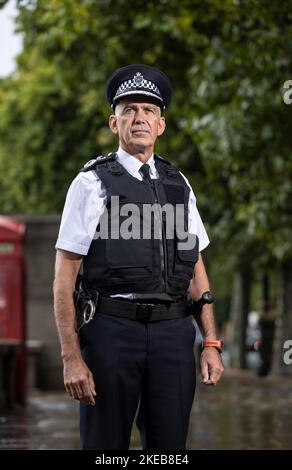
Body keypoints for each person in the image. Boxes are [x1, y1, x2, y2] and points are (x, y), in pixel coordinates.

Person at [53, 64, 224, 450]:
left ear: (160, 125)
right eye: (129, 109)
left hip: (173, 335)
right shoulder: (91, 182)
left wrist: (210, 342)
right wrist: (71, 357)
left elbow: (195, 264)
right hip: (112, 333)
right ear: (115, 123)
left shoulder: (179, 184)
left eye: (149, 110)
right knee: (105, 449)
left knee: (169, 450)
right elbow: (64, 276)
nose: (140, 118)